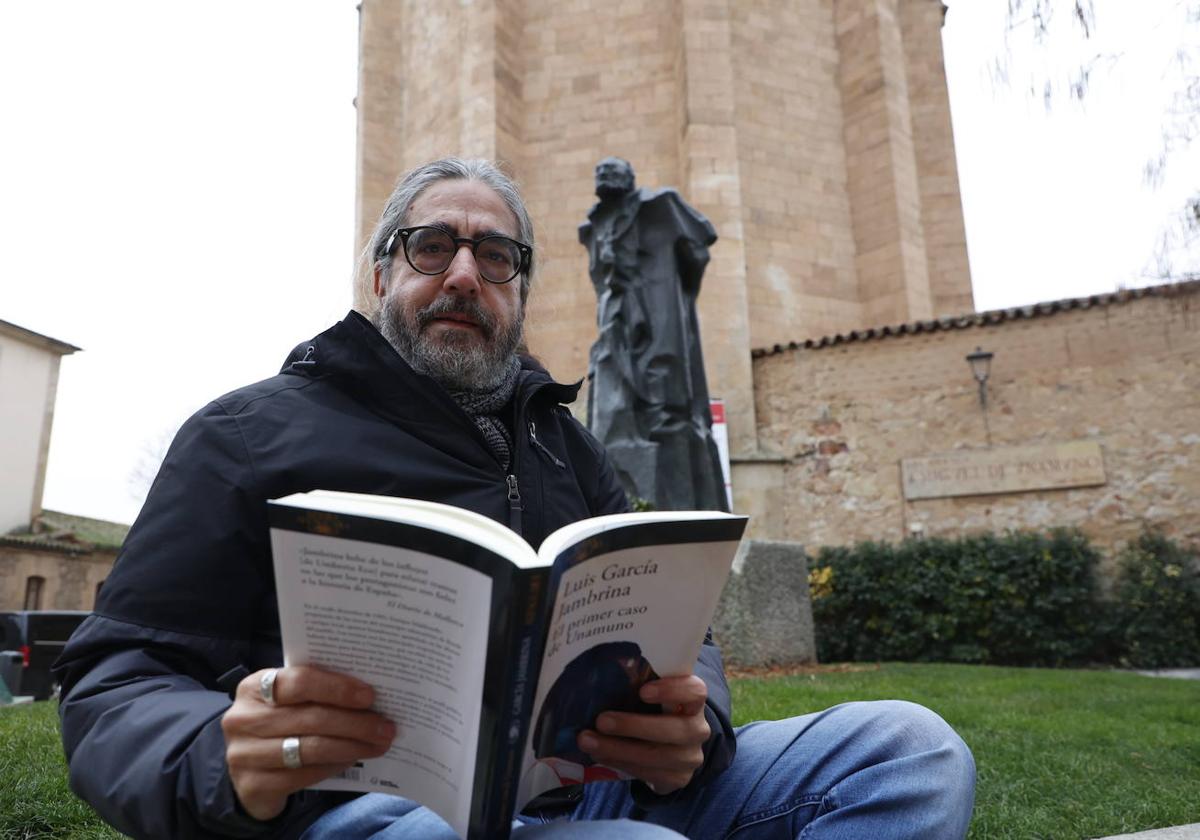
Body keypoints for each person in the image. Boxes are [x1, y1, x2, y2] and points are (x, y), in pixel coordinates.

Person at [56, 157, 975, 840]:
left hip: (587, 789)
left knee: (910, 753)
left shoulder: (569, 451)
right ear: (383, 275)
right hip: (357, 810)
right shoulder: (247, 434)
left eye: (495, 256)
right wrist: (222, 754)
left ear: (520, 291)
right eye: (432, 246)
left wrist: (699, 724)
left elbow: (683, 633)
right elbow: (114, 681)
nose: (463, 273)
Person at [579, 158, 727, 512]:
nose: (604, 175)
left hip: (657, 305)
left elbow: (699, 244)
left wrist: (678, 289)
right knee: (614, 391)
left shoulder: (661, 205)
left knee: (665, 388)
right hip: (616, 314)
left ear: (630, 178)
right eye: (600, 171)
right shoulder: (594, 224)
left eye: (612, 171)